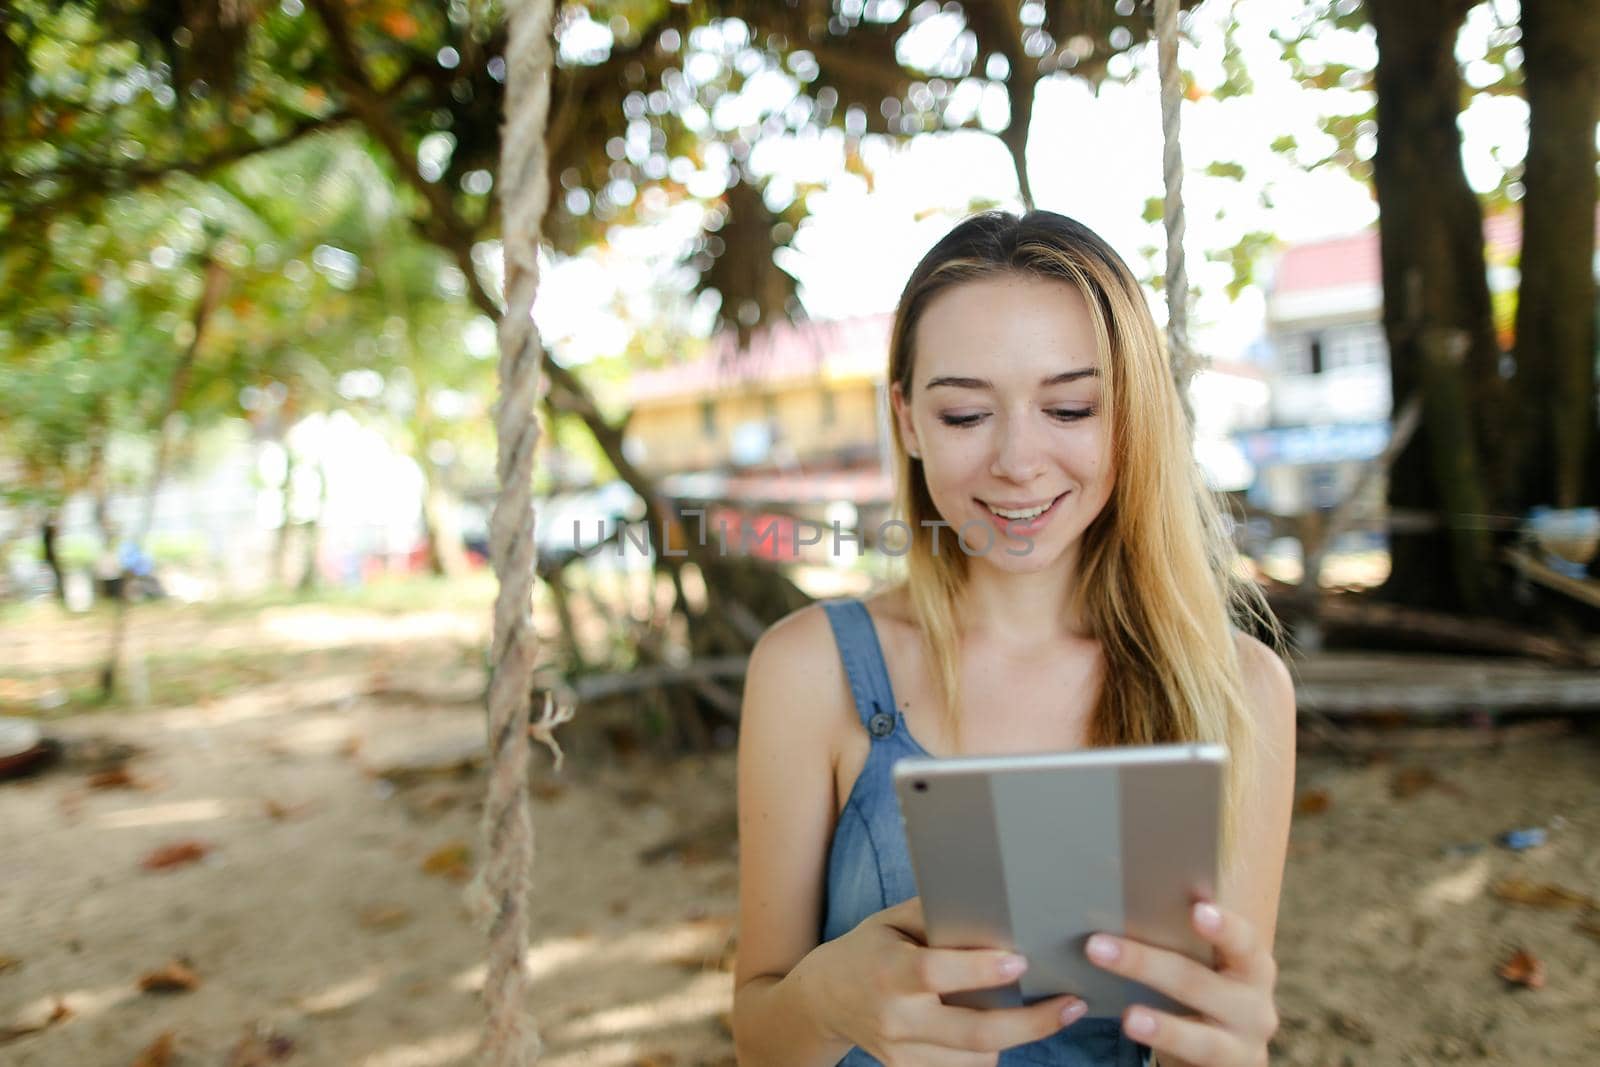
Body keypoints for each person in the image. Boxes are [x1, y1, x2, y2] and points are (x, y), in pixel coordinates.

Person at [731, 210, 1296, 1067]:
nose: (1019, 460)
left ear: (1130, 416)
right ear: (909, 420)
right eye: (964, 415)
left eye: (1069, 406)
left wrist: (1230, 1048)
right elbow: (760, 1037)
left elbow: (1206, 1038)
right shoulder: (808, 670)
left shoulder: (1237, 689)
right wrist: (823, 998)